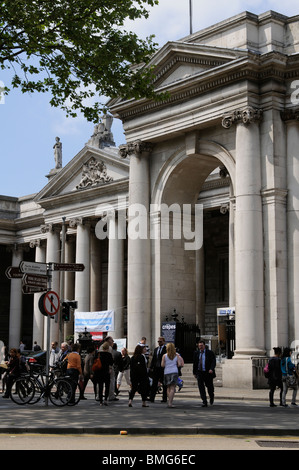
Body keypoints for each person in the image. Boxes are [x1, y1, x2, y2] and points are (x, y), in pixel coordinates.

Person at [193, 339, 216, 407]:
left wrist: (211, 369)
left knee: (209, 387)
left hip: (208, 372)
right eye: (199, 346)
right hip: (199, 372)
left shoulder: (209, 353)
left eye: (201, 346)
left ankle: (211, 396)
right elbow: (195, 363)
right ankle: (204, 401)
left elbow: (213, 361)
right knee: (201, 387)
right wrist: (194, 372)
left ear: (204, 345)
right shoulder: (196, 353)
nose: (200, 347)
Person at [161, 342, 184, 408]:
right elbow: (179, 364)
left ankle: (169, 401)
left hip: (166, 372)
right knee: (172, 388)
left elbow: (162, 365)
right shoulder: (176, 355)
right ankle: (170, 402)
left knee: (168, 387)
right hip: (174, 371)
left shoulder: (164, 356)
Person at [149, 336, 167, 403]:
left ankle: (164, 398)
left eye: (160, 341)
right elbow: (154, 359)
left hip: (163, 369)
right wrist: (151, 367)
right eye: (158, 341)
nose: (159, 343)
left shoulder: (166, 349)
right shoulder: (156, 349)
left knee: (164, 384)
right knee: (154, 383)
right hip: (156, 368)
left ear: (163, 342)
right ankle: (152, 397)